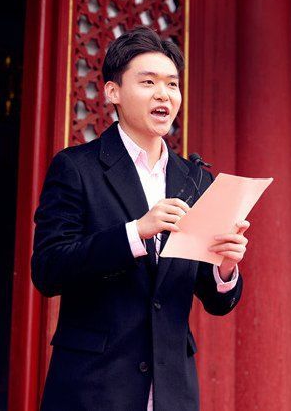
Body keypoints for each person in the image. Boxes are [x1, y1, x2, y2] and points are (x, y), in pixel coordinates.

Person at [31, 26, 248, 411]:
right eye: (148, 82)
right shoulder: (77, 168)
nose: (164, 94)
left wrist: (224, 268)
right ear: (113, 92)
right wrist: (135, 232)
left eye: (172, 84)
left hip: (171, 392)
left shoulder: (195, 179)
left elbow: (215, 301)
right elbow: (48, 270)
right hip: (94, 388)